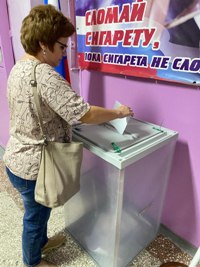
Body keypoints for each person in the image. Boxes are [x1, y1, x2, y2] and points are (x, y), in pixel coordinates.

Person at [3, 4, 133, 267]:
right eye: (62, 46)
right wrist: (118, 113)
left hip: (16, 158)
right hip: (35, 167)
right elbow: (84, 114)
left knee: (38, 211)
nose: (65, 53)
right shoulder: (45, 75)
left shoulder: (19, 67)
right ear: (43, 44)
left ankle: (41, 243)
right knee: (35, 217)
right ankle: (33, 262)